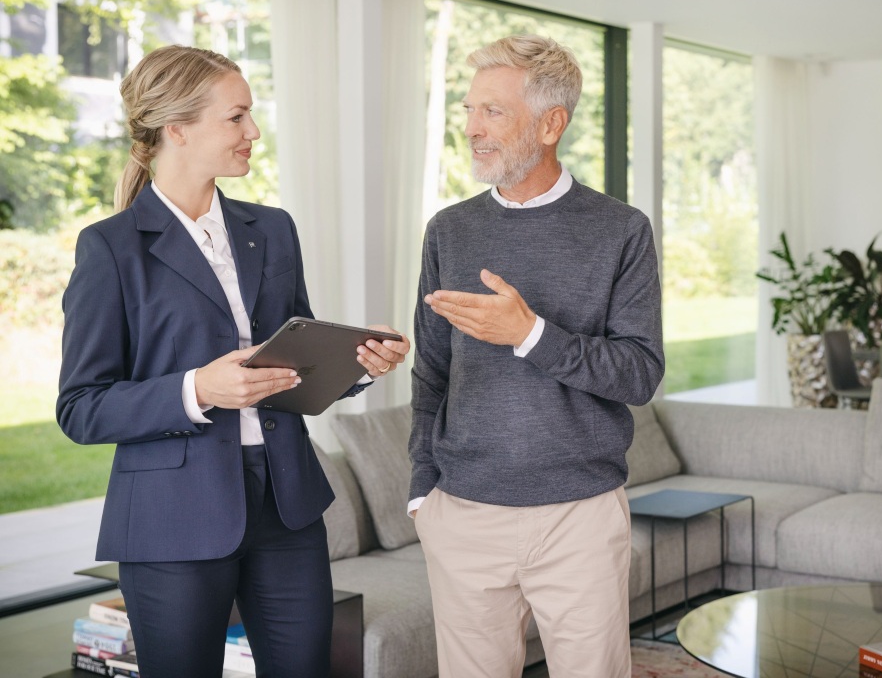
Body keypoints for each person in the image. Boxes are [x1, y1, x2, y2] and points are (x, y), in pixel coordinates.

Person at [56, 45, 411, 678]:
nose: (253, 133)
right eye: (237, 117)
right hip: (173, 517)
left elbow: (291, 364)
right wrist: (200, 389)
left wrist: (356, 361)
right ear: (178, 129)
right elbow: (81, 408)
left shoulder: (271, 228)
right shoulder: (109, 249)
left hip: (285, 504)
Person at [408, 34, 664, 678]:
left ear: (551, 123)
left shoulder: (621, 230)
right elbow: (432, 369)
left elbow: (640, 372)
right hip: (463, 513)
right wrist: (422, 490)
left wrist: (530, 334)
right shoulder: (450, 230)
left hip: (577, 517)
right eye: (469, 110)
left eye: (492, 111)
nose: (472, 129)